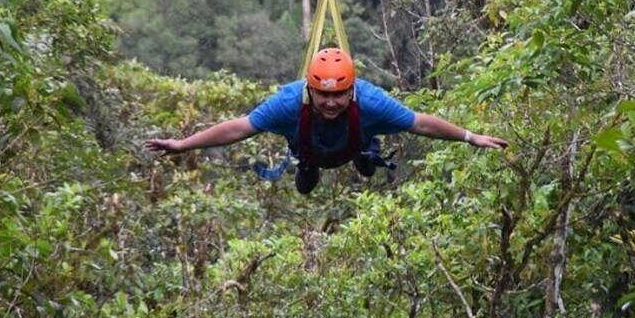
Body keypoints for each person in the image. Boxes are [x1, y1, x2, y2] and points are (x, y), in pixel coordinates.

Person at [145, 48, 509, 194]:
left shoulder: (370, 100)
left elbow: (421, 123)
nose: (332, 102)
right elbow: (240, 128)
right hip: (311, 150)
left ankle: (367, 152)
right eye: (324, 95)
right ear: (310, 89)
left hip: (353, 143)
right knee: (305, 184)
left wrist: (470, 136)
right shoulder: (288, 103)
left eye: (339, 94)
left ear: (352, 89)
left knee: (366, 165)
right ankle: (309, 166)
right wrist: (183, 144)